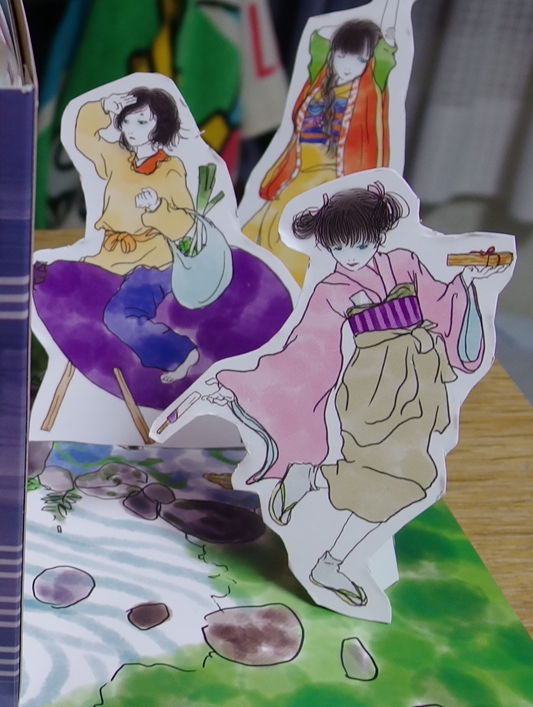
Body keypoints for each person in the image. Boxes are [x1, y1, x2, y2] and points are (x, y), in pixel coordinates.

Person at [207, 183, 503, 605]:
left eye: (361, 244)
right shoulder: (330, 288)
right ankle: (332, 559)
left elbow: (444, 307)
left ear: (380, 236)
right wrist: (243, 382)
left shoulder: (406, 262)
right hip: (370, 389)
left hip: (420, 383)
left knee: (415, 479)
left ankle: (313, 489)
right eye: (339, 247)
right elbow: (306, 348)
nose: (350, 256)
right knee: (384, 473)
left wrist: (471, 285)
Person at [245, 0, 418, 284]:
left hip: (335, 183)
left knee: (304, 249)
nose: (349, 66)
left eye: (359, 60)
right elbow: (318, 35)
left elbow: (390, 41)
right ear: (332, 55)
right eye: (343, 57)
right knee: (260, 236)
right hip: (296, 174)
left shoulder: (370, 91)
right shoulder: (316, 80)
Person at [72, 86, 200, 382]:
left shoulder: (171, 169)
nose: (131, 128)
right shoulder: (118, 159)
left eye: (142, 122)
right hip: (111, 255)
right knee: (70, 299)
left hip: (154, 263)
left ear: (160, 126)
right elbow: (83, 138)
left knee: (120, 316)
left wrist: (157, 208)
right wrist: (103, 106)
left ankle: (180, 353)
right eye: (127, 120)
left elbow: (185, 224)